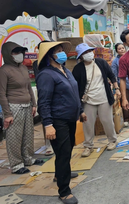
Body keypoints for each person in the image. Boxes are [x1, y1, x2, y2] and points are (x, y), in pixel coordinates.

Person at [36, 41, 85, 204]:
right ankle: (64, 191)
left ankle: (60, 173)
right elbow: (43, 102)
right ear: (50, 55)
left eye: (62, 50)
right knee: (63, 153)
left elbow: (74, 92)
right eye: (58, 51)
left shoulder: (64, 70)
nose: (62, 53)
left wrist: (80, 111)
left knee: (67, 149)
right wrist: (48, 125)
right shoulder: (46, 74)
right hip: (58, 120)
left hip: (70, 118)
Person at [0, 42, 42, 175]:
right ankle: (17, 164)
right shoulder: (4, 70)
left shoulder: (23, 68)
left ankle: (28, 159)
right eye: (15, 52)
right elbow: (1, 93)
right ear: (8, 54)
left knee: (28, 134)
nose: (19, 55)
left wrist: (34, 104)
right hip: (14, 107)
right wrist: (7, 114)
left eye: (20, 52)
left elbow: (29, 87)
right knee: (14, 137)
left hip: (27, 105)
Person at [72, 43, 119, 157]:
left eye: (89, 51)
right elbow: (75, 86)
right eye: (85, 53)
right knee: (88, 123)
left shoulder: (101, 63)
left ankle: (112, 140)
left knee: (107, 120)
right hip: (88, 100)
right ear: (81, 56)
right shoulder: (78, 69)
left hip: (103, 97)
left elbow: (111, 75)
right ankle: (88, 146)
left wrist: (116, 88)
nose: (88, 54)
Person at [111, 43, 129, 127]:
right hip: (123, 84)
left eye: (123, 48)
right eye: (119, 48)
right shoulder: (115, 61)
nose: (122, 49)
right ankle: (126, 119)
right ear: (116, 51)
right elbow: (114, 74)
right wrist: (116, 87)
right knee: (124, 101)